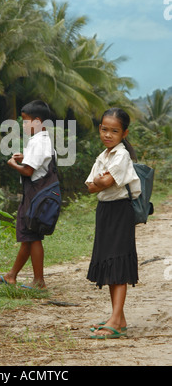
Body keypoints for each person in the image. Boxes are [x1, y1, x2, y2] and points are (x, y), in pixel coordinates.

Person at [85, 108, 141, 339]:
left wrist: (101, 180)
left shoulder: (121, 155)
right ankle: (119, 319)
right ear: (100, 129)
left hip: (120, 212)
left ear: (124, 133)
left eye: (114, 131)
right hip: (105, 211)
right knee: (109, 262)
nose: (108, 134)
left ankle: (116, 320)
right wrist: (100, 181)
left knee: (118, 262)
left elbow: (106, 181)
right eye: (105, 129)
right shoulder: (103, 156)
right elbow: (90, 186)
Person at [0, 100, 56, 289]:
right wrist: (25, 158)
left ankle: (39, 281)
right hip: (36, 194)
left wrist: (14, 164)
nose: (23, 124)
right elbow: (39, 163)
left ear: (37, 121)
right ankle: (12, 275)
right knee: (28, 236)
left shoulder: (38, 141)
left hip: (35, 195)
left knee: (32, 236)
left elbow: (29, 171)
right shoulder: (42, 139)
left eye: (25, 120)